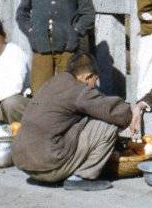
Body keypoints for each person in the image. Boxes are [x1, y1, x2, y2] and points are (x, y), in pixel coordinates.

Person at [12, 52, 131, 191]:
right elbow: (112, 111)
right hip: (49, 166)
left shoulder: (53, 82)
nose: (94, 85)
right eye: (95, 80)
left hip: (26, 164)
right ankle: (82, 177)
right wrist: (133, 113)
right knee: (106, 126)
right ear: (88, 77)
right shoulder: (79, 90)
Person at [16, 0, 96, 94]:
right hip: (41, 48)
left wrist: (76, 31)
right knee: (40, 91)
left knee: (69, 89)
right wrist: (31, 32)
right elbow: (22, 14)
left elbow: (88, 13)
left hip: (68, 48)